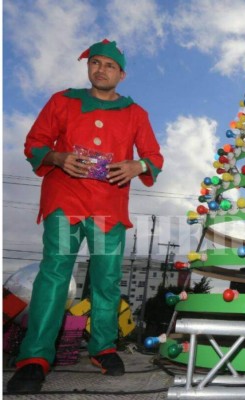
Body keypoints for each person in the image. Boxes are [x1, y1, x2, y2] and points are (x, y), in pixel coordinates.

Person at [7, 39, 164, 394]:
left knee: (107, 279)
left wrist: (138, 165)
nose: (101, 69)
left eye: (110, 65)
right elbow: (34, 143)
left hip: (109, 211)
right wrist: (58, 158)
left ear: (121, 74)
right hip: (66, 202)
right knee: (56, 273)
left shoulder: (136, 113)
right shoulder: (62, 101)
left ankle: (103, 347)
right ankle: (35, 358)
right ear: (88, 67)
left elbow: (154, 156)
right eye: (95, 63)